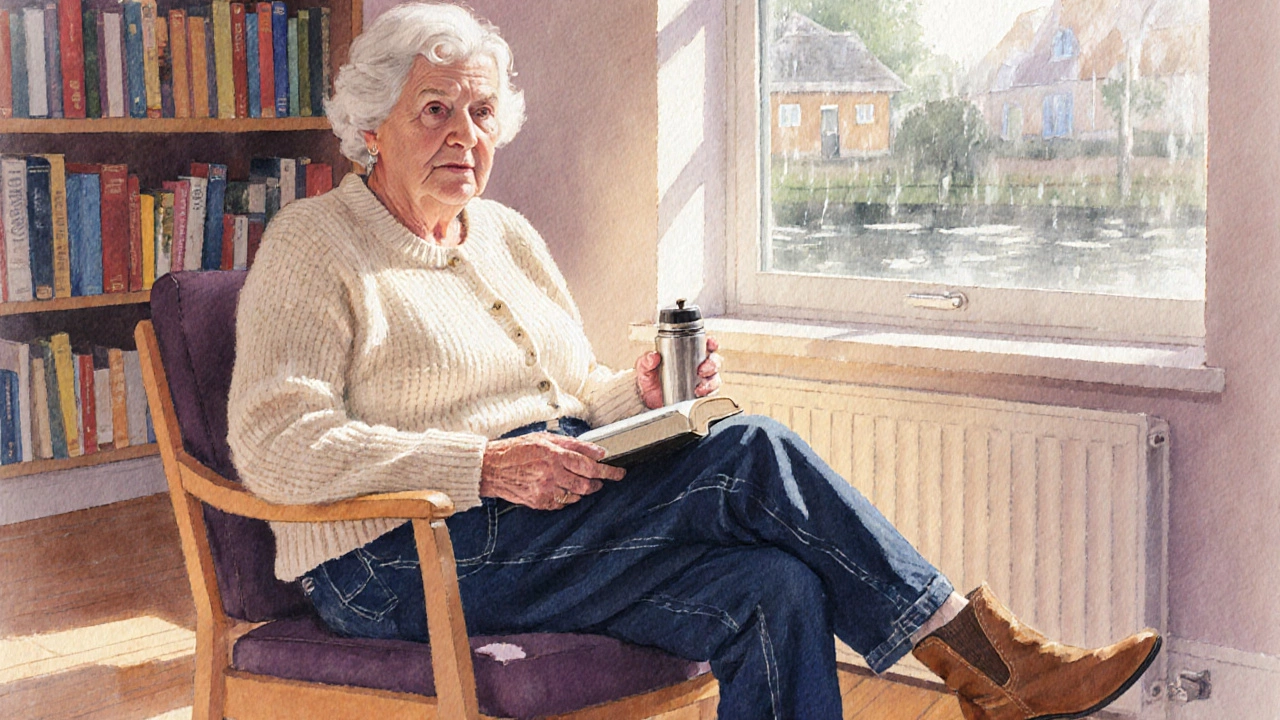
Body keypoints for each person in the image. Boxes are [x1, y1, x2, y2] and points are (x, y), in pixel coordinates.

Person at [226, 3, 1160, 718]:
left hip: (536, 519)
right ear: (370, 126)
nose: (463, 134)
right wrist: (476, 465)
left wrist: (627, 394)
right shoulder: (315, 245)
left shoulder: (505, 234)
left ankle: (992, 675)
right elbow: (276, 444)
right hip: (391, 558)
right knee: (748, 452)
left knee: (774, 588)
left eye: (479, 111)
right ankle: (993, 668)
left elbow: (565, 389)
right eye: (433, 109)